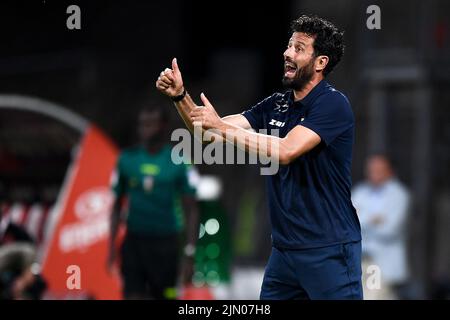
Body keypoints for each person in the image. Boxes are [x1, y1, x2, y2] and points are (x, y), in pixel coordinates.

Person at [156, 15, 362, 299]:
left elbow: (287, 150)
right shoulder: (276, 104)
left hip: (329, 251)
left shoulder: (333, 104)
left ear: (320, 62)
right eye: (289, 45)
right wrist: (180, 97)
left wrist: (219, 125)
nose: (287, 53)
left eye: (299, 48)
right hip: (284, 255)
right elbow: (207, 134)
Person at [107, 103, 199, 300]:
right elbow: (116, 205)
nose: (145, 129)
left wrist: (190, 254)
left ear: (163, 126)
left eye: (151, 124)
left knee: (165, 296)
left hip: (166, 245)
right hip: (134, 242)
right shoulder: (126, 160)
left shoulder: (180, 161)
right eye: (142, 124)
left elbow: (191, 210)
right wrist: (111, 247)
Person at [352, 155, 411, 299]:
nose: (373, 173)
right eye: (371, 169)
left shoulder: (399, 194)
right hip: (359, 260)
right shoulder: (360, 191)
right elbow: (348, 222)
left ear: (390, 172)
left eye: (379, 170)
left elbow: (389, 229)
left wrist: (361, 217)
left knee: (372, 297)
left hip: (379, 263)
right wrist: (374, 219)